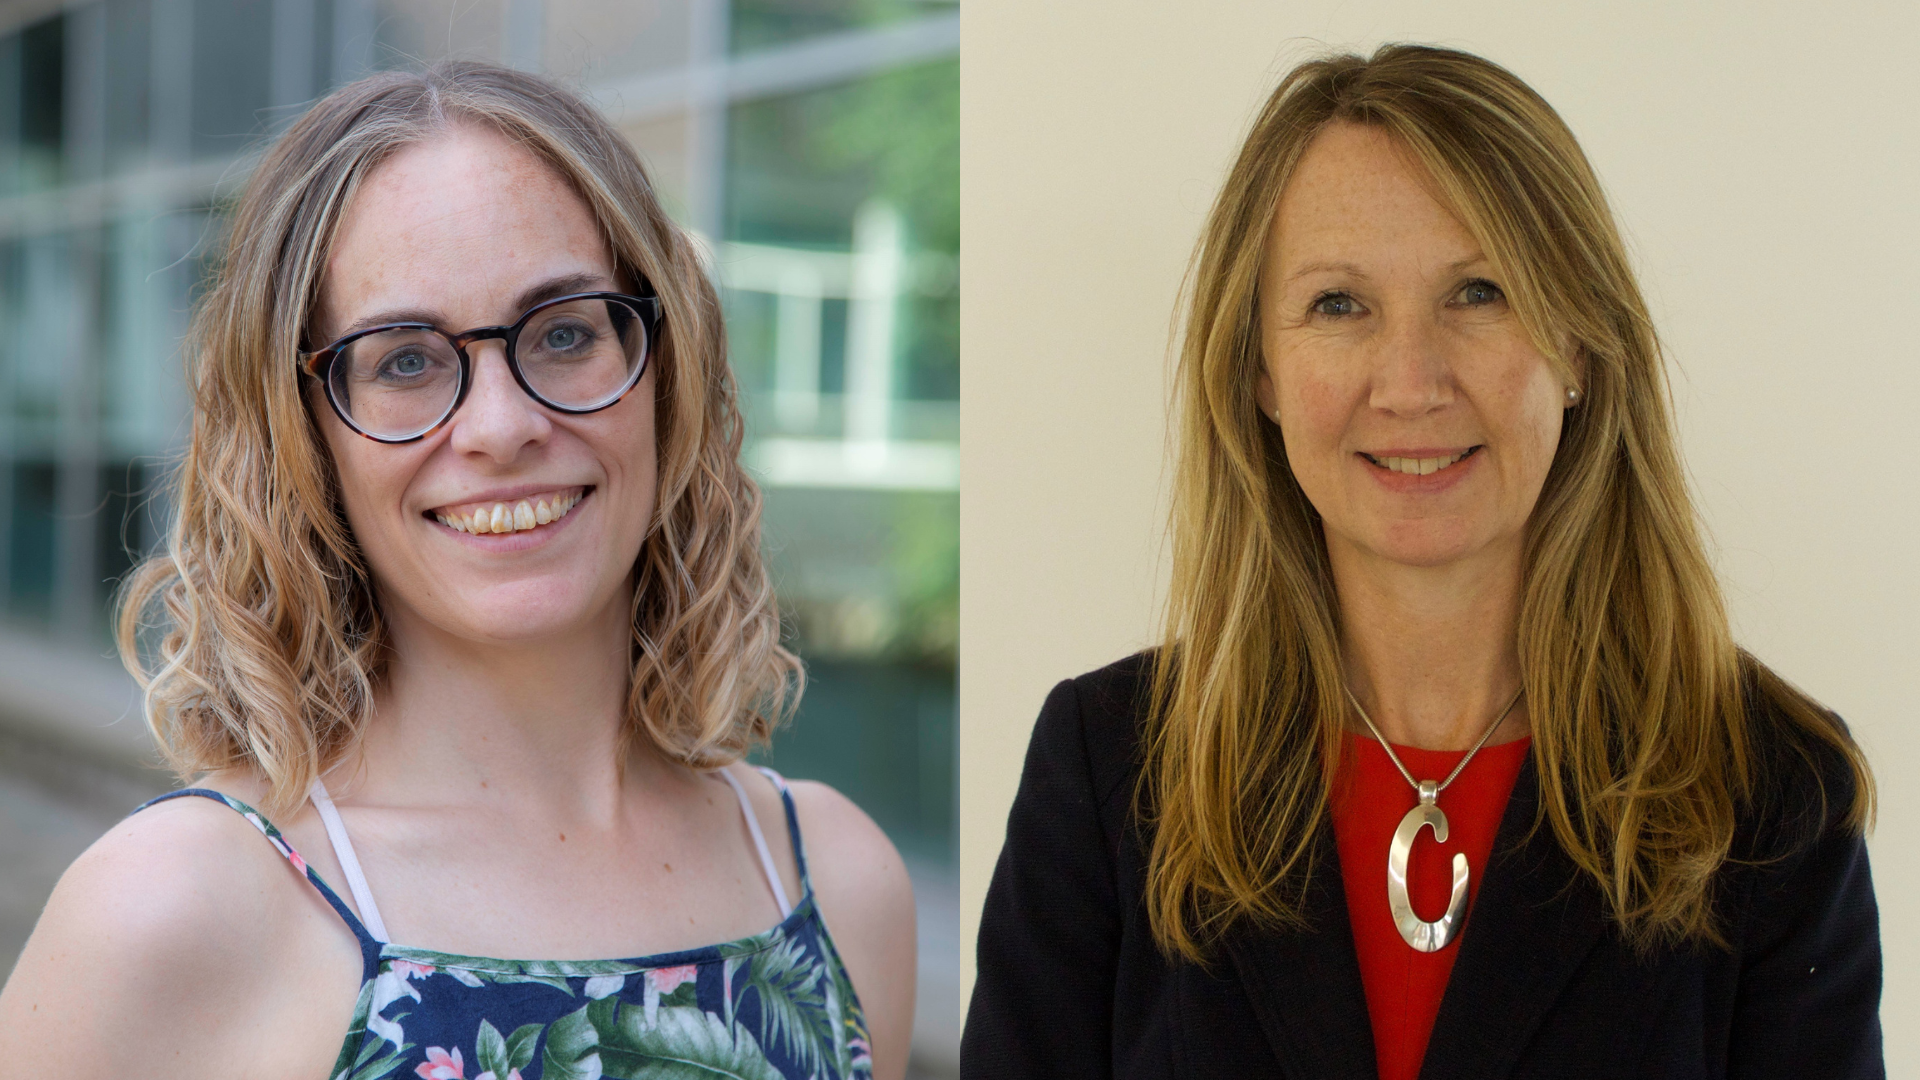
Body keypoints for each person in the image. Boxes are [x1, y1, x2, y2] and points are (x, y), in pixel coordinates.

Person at [963, 44, 1880, 1079]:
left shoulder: (1772, 792)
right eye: (1340, 305)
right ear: (1259, 369)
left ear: (1578, 345)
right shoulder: (1109, 770)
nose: (1410, 382)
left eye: (1480, 291)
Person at [0, 61, 915, 1080]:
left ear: (668, 371)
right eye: (404, 360)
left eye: (565, 333)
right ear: (303, 438)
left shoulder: (833, 880)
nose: (502, 427)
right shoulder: (178, 909)